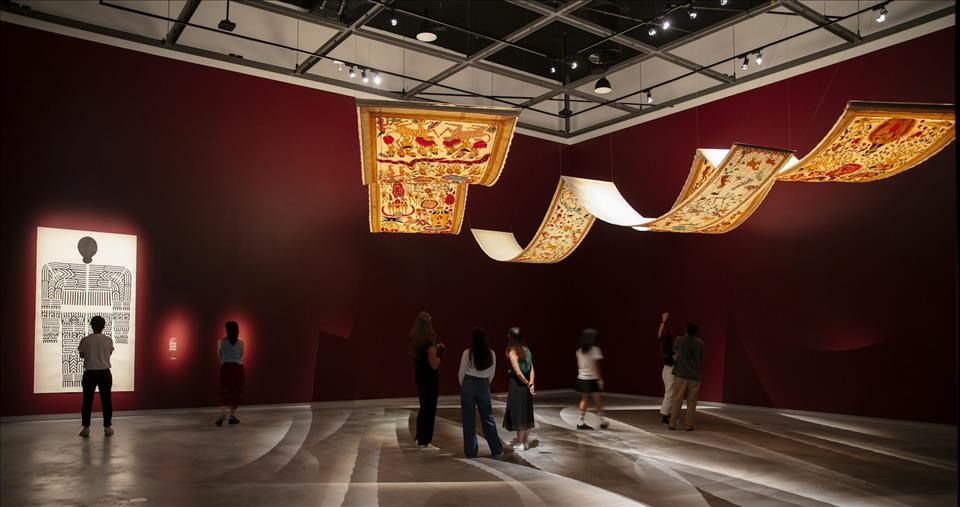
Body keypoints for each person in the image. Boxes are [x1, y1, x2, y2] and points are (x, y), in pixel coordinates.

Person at [458, 327, 503, 458]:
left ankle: (471, 452)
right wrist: (484, 385)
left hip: (468, 385)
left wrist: (465, 386)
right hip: (484, 385)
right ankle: (496, 449)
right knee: (488, 418)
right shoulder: (491, 354)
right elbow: (492, 374)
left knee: (468, 420)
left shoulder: (467, 353)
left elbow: (461, 374)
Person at [409, 311, 445, 450]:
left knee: (423, 406)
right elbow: (434, 364)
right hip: (429, 377)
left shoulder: (414, 340)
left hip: (419, 374)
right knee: (429, 408)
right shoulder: (429, 343)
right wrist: (440, 351)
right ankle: (425, 441)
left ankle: (419, 437)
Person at [78, 315, 115, 438]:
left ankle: (86, 428)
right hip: (104, 372)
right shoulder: (108, 340)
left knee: (87, 401)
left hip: (89, 373)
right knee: (106, 400)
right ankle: (107, 427)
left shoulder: (85, 340)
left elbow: (82, 355)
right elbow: (109, 353)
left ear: (91, 326)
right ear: (103, 326)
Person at [503, 327, 535, 452]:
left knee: (519, 414)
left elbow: (518, 373)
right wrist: (531, 383)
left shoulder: (513, 352)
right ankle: (525, 441)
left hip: (517, 385)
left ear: (511, 337)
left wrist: (526, 383)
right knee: (527, 413)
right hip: (527, 385)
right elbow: (532, 368)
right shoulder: (527, 350)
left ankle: (520, 443)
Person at [669, 321, 705, 431]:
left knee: (677, 399)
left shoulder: (679, 340)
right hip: (694, 376)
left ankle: (672, 423)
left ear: (686, 329)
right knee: (691, 402)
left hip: (681, 374)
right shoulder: (700, 343)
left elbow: (674, 350)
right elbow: (701, 357)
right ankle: (689, 425)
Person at [575, 328, 608, 430]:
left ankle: (580, 421)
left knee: (584, 399)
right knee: (598, 400)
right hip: (592, 378)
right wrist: (600, 379)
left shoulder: (579, 351)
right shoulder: (595, 350)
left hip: (581, 378)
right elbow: (597, 366)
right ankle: (602, 421)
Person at [216, 321, 245, 426]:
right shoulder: (241, 342)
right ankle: (232, 416)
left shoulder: (220, 342)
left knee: (224, 390)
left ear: (227, 330)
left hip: (225, 367)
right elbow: (241, 355)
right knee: (236, 391)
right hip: (237, 368)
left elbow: (219, 356)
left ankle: (222, 414)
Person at [658, 312, 675, 424]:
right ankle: (665, 415)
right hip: (670, 370)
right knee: (670, 393)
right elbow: (661, 334)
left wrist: (663, 320)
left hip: (666, 370)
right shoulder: (671, 349)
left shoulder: (663, 347)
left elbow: (660, 334)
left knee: (669, 392)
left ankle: (667, 413)